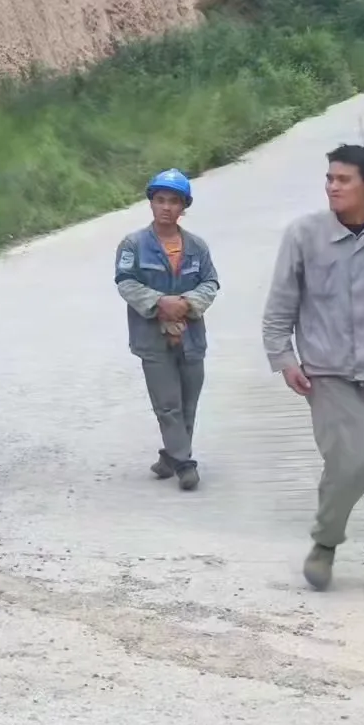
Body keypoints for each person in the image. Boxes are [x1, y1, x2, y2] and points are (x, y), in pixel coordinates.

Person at [261, 143, 364, 592]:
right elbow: (279, 310)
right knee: (353, 464)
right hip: (331, 373)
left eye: (343, 179)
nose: (332, 186)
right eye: (329, 178)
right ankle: (326, 544)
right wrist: (284, 359)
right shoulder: (304, 236)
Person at [114, 169, 220, 491]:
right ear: (151, 203)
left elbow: (211, 282)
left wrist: (187, 303)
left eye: (174, 201)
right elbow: (126, 282)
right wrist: (160, 302)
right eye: (160, 200)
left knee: (189, 401)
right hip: (152, 338)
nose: (166, 207)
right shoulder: (133, 244)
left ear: (183, 207)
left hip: (191, 337)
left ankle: (170, 456)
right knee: (168, 404)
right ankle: (186, 464)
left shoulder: (197, 247)